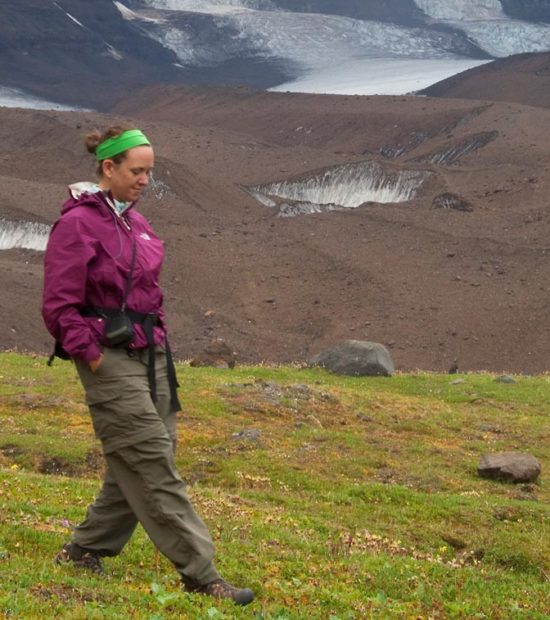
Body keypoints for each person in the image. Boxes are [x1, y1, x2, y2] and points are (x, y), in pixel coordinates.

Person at [42, 125, 254, 606]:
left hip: (150, 353)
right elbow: (58, 307)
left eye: (149, 172)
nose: (144, 180)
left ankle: (83, 549)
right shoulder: (77, 225)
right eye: (136, 171)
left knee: (139, 459)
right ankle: (203, 575)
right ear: (108, 168)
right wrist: (91, 355)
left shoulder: (136, 223)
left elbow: (147, 292)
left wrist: (156, 339)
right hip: (108, 357)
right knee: (151, 460)